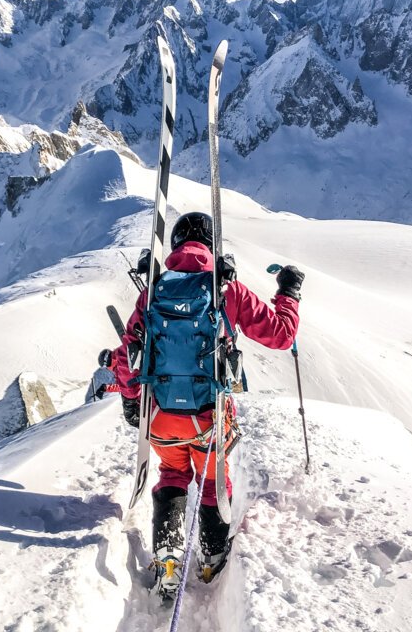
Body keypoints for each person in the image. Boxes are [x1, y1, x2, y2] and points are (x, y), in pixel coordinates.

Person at [113, 211, 303, 596]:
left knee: (171, 474)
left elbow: (127, 357)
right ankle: (212, 559)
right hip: (209, 418)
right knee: (214, 482)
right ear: (211, 246)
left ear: (176, 247)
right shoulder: (225, 289)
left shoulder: (153, 292)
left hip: (163, 417)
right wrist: (289, 293)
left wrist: (133, 403)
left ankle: (167, 555)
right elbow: (281, 335)